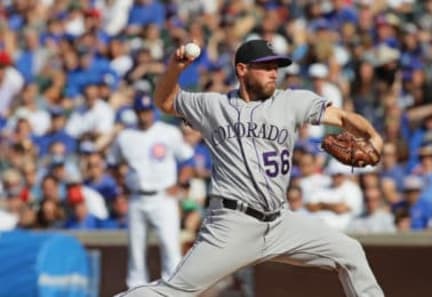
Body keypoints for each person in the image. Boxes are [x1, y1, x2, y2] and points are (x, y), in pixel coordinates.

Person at [117, 39, 384, 297]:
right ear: (242, 70)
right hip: (232, 224)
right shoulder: (213, 106)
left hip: (280, 222)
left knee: (350, 253)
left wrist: (373, 137)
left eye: (276, 67)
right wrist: (175, 68)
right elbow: (164, 102)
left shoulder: (290, 102)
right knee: (172, 291)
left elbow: (342, 117)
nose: (273, 73)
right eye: (265, 67)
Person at [108, 93, 194, 289]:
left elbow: (187, 159)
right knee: (136, 251)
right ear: (135, 113)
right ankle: (135, 290)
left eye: (147, 111)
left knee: (170, 247)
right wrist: (122, 184)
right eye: (140, 112)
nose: (144, 116)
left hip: (163, 197)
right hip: (137, 198)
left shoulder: (167, 133)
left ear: (152, 112)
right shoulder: (125, 137)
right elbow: (112, 163)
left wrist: (180, 184)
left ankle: (173, 291)